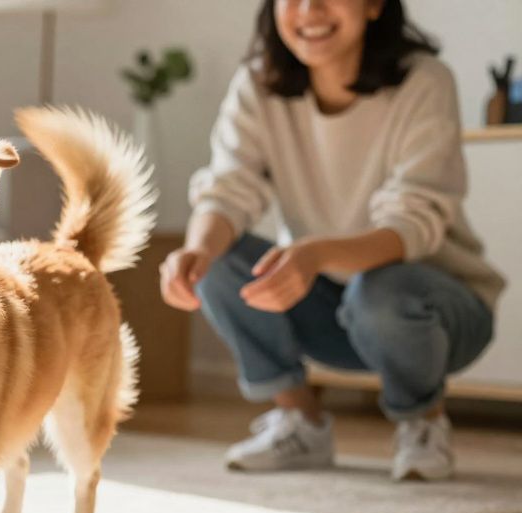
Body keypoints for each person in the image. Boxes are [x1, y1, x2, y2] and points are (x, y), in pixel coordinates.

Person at [160, 0, 506, 480]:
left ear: (373, 5)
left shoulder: (424, 81)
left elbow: (413, 220)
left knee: (381, 289)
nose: (309, 10)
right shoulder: (258, 85)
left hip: (435, 313)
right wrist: (196, 251)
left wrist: (317, 252)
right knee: (220, 260)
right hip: (327, 307)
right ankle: (300, 421)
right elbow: (227, 190)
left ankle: (423, 423)